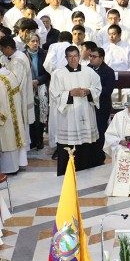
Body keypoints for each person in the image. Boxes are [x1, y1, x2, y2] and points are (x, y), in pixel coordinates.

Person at [49, 46, 103, 176]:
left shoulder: (89, 72)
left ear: (79, 56)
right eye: (70, 56)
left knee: (85, 146)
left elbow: (97, 88)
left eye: (76, 56)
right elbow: (54, 94)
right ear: (66, 58)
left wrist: (88, 91)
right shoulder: (58, 74)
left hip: (85, 113)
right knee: (68, 146)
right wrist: (70, 93)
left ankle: (86, 173)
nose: (73, 59)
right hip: (68, 117)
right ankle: (65, 175)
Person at [0, 55, 28, 174]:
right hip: (15, 114)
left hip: (6, 118)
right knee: (16, 139)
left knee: (7, 142)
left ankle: (9, 169)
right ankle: (19, 164)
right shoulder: (10, 74)